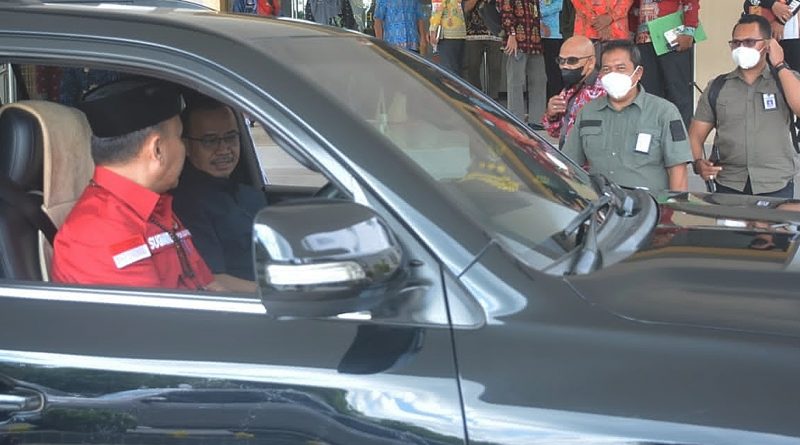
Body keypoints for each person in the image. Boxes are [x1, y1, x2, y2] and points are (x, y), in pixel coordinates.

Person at [52, 79, 222, 291]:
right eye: (179, 138)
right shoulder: (98, 234)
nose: (185, 150)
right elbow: (158, 313)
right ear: (157, 150)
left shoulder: (156, 209)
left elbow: (208, 285)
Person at [689, 14, 800, 198]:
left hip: (776, 184)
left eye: (749, 42)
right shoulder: (717, 87)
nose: (741, 48)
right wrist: (698, 163)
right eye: (736, 43)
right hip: (728, 183)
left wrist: (780, 64)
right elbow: (695, 135)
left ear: (767, 45)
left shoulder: (785, 81)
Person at [562, 39, 692, 192]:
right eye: (606, 69)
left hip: (649, 204)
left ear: (638, 73)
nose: (613, 74)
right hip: (602, 203)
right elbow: (569, 165)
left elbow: (678, 172)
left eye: (621, 68)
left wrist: (674, 205)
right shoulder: (587, 112)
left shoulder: (664, 112)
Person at [171, 94, 267, 293]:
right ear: (187, 146)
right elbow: (213, 280)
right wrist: (277, 293)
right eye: (210, 141)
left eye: (231, 137)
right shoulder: (187, 204)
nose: (224, 149)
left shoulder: (251, 194)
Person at [630, 0, 700, 128]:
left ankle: (680, 137)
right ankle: (652, 136)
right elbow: (633, 7)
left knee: (677, 93)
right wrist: (630, 36)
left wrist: (689, 31)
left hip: (673, 39)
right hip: (644, 41)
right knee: (649, 94)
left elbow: (691, 2)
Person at [541, 34, 606, 148]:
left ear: (591, 62)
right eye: (561, 60)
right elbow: (556, 133)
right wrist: (552, 115)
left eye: (572, 60)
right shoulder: (570, 88)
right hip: (568, 155)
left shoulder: (604, 91)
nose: (565, 66)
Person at [500, 0, 547, 128]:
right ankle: (516, 119)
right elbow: (506, 11)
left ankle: (537, 119)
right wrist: (511, 34)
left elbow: (535, 12)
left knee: (539, 79)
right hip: (517, 42)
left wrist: (540, 24)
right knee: (516, 81)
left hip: (534, 40)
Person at [463, 0, 503, 99]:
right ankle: (477, 98)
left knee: (495, 68)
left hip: (495, 31)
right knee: (472, 66)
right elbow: (465, 8)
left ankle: (494, 99)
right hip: (473, 32)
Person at [744, 0, 800, 71]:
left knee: (792, 73)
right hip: (757, 34)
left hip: (788, 35)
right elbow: (748, 4)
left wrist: (781, 21)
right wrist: (772, 4)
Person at [429, 0, 467, 73]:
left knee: (449, 72)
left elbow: (437, 9)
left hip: (447, 34)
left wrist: (433, 30)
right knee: (458, 70)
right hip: (460, 32)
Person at [540, 0, 565, 101]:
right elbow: (537, 9)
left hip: (564, 34)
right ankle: (552, 102)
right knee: (551, 73)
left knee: (563, 72)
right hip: (547, 35)